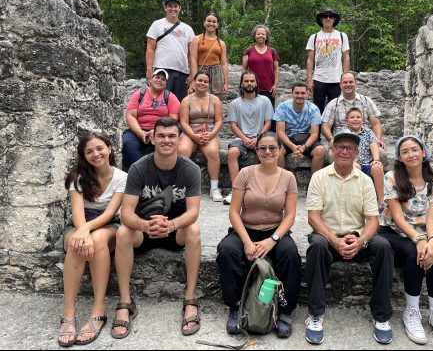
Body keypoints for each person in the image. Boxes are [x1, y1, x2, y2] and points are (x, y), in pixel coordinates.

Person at [110, 118, 202, 339]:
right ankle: (125, 302)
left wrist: (171, 225)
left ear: (180, 140)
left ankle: (190, 298)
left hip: (175, 230)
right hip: (145, 230)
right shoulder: (139, 168)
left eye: (171, 136)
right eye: (161, 135)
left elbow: (193, 212)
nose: (166, 140)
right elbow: (127, 214)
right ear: (152, 138)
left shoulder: (190, 169)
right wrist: (146, 225)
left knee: (194, 230)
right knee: (122, 232)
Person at [305, 128, 394, 345]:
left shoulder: (364, 181)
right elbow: (313, 218)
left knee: (383, 246)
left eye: (350, 148)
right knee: (316, 245)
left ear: (356, 153)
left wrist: (362, 240)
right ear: (332, 150)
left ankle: (381, 316)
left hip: (358, 239)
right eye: (340, 147)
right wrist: (334, 240)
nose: (345, 151)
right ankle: (315, 315)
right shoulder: (319, 177)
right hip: (328, 237)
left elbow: (373, 220)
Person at [216, 132, 301, 338]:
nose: (268, 152)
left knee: (290, 254)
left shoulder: (288, 177)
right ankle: (235, 305)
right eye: (263, 148)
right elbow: (234, 212)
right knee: (227, 251)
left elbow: (290, 215)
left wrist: (273, 240)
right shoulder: (245, 173)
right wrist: (246, 241)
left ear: (280, 150)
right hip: (245, 229)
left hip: (275, 231)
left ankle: (285, 310)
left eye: (273, 147)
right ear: (256, 151)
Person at [378, 135, 433, 346]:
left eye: (414, 150)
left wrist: (432, 240)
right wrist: (419, 239)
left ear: (424, 153)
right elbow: (397, 217)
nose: (411, 154)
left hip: (421, 232)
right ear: (400, 157)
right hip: (392, 232)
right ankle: (411, 312)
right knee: (415, 252)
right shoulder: (391, 177)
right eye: (405, 151)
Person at [58, 133, 127, 347]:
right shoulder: (78, 177)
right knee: (75, 244)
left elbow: (109, 214)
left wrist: (87, 230)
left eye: (99, 148)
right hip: (80, 223)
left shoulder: (121, 177)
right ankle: (69, 314)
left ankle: (98, 309)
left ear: (109, 149)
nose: (95, 154)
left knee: (96, 239)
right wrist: (82, 232)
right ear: (84, 156)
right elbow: (78, 213)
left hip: (108, 224)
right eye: (89, 151)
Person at [223, 71, 274, 205]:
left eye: (252, 81)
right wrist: (244, 138)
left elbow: (268, 122)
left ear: (256, 83)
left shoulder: (265, 100)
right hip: (241, 138)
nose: (249, 84)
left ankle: (263, 189)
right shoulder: (235, 103)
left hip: (261, 136)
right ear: (241, 83)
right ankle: (236, 190)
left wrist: (258, 137)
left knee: (267, 152)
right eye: (246, 81)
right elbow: (233, 125)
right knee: (233, 152)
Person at [322, 72, 387, 165]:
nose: (348, 85)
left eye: (351, 82)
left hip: (366, 141)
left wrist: (378, 139)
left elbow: (376, 124)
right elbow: (325, 126)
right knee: (332, 155)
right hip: (342, 142)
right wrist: (331, 139)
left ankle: (375, 176)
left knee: (382, 154)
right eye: (345, 82)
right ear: (340, 85)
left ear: (356, 84)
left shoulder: (366, 101)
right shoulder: (333, 104)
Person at [178, 70, 224, 202]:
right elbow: (183, 122)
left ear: (209, 84)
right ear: (194, 82)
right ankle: (184, 185)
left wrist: (211, 134)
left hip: (209, 130)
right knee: (182, 150)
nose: (202, 83)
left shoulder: (215, 100)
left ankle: (214, 187)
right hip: (190, 130)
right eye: (200, 80)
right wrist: (193, 135)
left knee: (212, 151)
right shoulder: (186, 100)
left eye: (205, 81)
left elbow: (219, 120)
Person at [122, 69, 180, 171]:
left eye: (163, 79)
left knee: (162, 147)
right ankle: (141, 173)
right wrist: (141, 133)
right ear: (151, 80)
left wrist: (156, 131)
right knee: (127, 144)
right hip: (138, 129)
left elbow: (173, 119)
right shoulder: (139, 94)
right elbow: (130, 115)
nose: (159, 80)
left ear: (166, 84)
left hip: (161, 130)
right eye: (157, 77)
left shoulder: (170, 97)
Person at [146, 0, 195, 101]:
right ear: (165, 8)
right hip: (162, 69)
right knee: (160, 101)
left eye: (176, 6)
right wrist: (149, 70)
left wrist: (192, 74)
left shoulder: (188, 29)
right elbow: (150, 48)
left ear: (179, 8)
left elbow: (191, 54)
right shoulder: (157, 24)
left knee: (180, 103)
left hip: (182, 72)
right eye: (170, 6)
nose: (173, 9)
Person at [274, 82, 326, 174]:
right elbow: (280, 132)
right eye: (297, 93)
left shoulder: (313, 109)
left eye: (303, 93)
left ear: (307, 94)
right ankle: (281, 182)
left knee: (320, 150)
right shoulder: (282, 107)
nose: (300, 95)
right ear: (292, 93)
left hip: (305, 138)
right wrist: (292, 146)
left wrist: (304, 147)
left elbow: (314, 134)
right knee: (277, 150)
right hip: (287, 138)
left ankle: (314, 184)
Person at [306, 8, 350, 114]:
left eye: (331, 16)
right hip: (319, 79)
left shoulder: (342, 36)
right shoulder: (314, 37)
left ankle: (334, 131)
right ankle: (317, 130)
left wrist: (345, 77)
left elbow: (346, 57)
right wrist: (309, 79)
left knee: (336, 109)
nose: (328, 18)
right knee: (317, 109)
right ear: (321, 19)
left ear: (334, 19)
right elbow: (310, 59)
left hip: (336, 79)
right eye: (325, 16)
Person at [345, 107, 384, 208]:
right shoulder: (345, 133)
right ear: (347, 121)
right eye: (352, 117)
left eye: (358, 117)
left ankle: (381, 201)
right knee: (356, 167)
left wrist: (376, 159)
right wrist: (353, 161)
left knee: (377, 168)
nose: (355, 119)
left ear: (362, 120)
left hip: (367, 164)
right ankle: (357, 202)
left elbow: (373, 145)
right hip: (352, 163)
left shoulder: (368, 132)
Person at [189, 12, 228, 96]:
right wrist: (193, 80)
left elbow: (224, 64)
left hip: (217, 72)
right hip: (201, 71)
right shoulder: (196, 39)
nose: (211, 23)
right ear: (204, 23)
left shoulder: (221, 43)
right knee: (199, 97)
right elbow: (193, 60)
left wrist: (226, 83)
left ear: (217, 25)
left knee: (216, 99)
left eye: (214, 22)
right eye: (209, 21)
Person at [241, 24, 280, 109]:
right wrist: (245, 83)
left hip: (269, 88)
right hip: (252, 87)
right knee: (252, 112)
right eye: (258, 34)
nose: (260, 36)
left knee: (269, 113)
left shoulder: (272, 51)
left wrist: (275, 85)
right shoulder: (248, 51)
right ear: (254, 36)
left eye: (263, 34)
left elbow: (276, 69)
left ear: (266, 37)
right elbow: (244, 68)